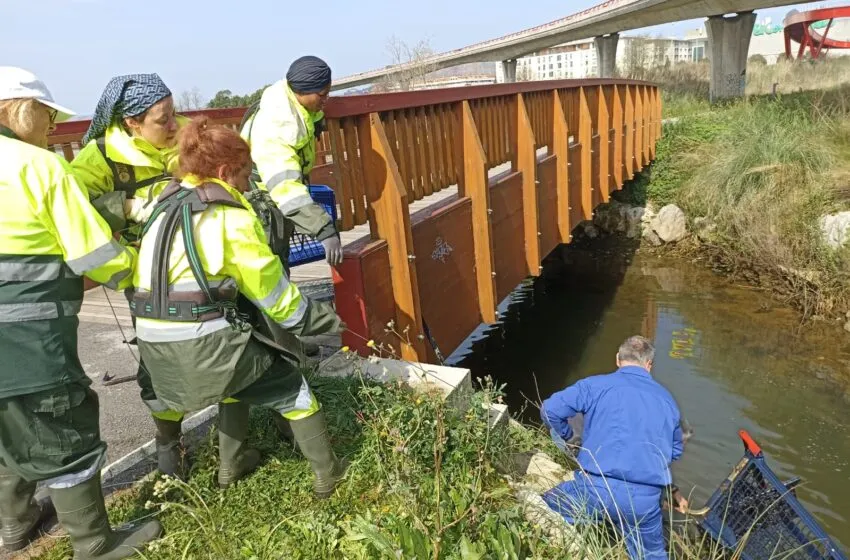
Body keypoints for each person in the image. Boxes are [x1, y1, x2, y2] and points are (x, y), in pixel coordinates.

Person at [130, 117, 348, 496]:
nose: (248, 185)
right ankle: (329, 475)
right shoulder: (228, 218)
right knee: (293, 390)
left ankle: (228, 467)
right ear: (223, 172)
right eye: (245, 175)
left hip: (152, 349)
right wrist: (320, 320)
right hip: (201, 344)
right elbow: (276, 298)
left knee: (236, 374)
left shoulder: (162, 205)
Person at [0, 67, 161, 558]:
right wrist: (143, 268)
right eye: (46, 114)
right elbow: (93, 254)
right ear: (18, 109)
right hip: (29, 333)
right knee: (61, 423)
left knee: (8, 422)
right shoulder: (38, 166)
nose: (51, 125)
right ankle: (94, 542)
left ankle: (16, 524)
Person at [69, 74, 187, 479]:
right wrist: (127, 206)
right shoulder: (101, 157)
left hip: (202, 263)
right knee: (158, 356)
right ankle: (170, 446)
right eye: (162, 119)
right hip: (146, 272)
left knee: (220, 340)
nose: (174, 125)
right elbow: (72, 207)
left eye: (174, 114)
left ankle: (233, 440)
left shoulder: (186, 133)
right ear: (132, 123)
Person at [540, 336, 686, 560]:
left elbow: (550, 410)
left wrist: (569, 437)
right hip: (644, 501)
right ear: (649, 365)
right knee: (651, 553)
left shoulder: (594, 385)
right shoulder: (668, 401)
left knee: (541, 507)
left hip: (595, 490)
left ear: (618, 359)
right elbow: (675, 451)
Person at [240, 55, 342, 271]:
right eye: (322, 95)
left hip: (271, 200)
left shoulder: (293, 105)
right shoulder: (276, 126)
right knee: (272, 269)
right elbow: (285, 187)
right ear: (302, 91)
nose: (326, 100)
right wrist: (324, 230)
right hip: (263, 202)